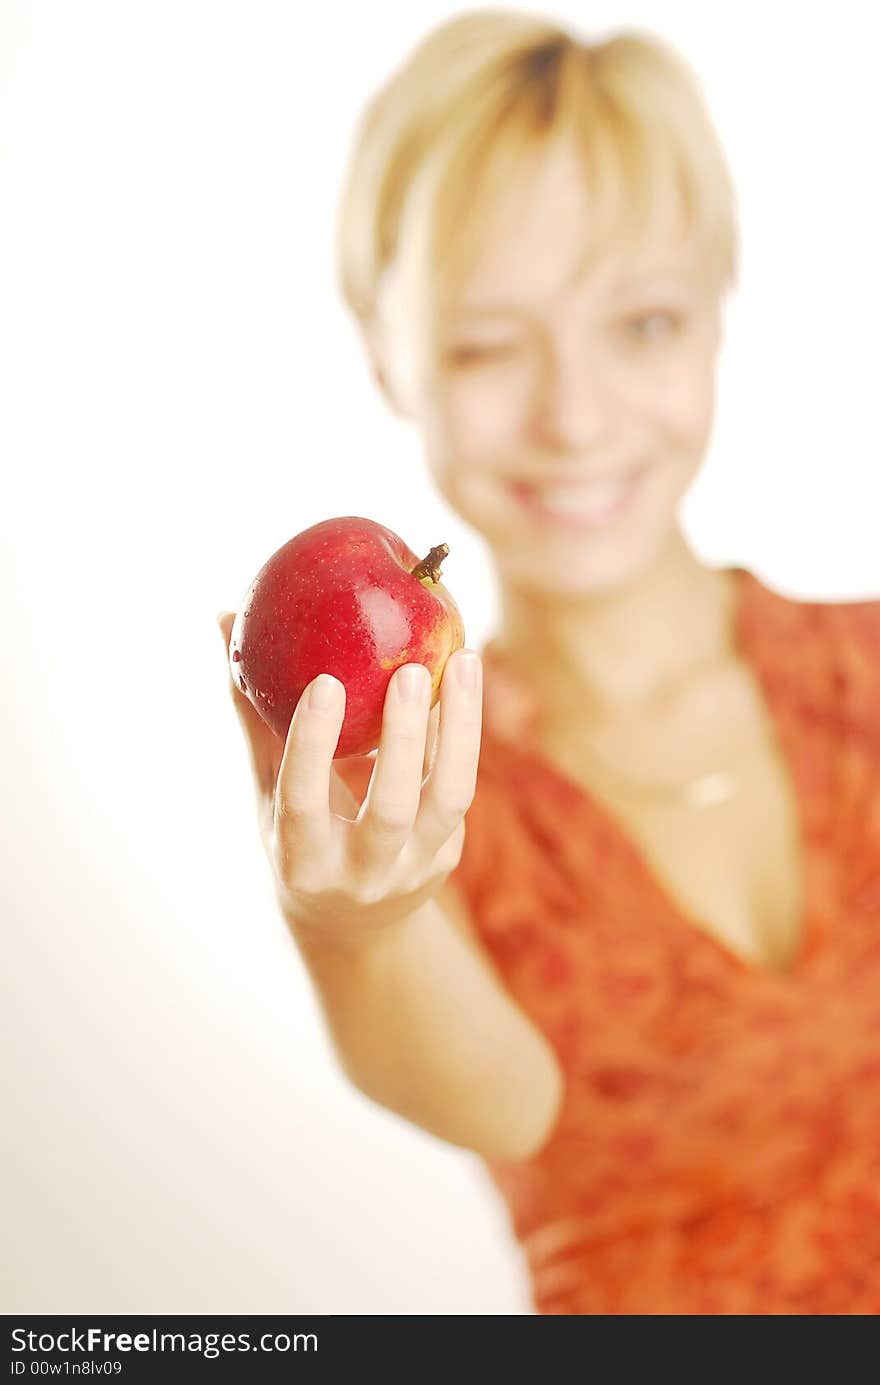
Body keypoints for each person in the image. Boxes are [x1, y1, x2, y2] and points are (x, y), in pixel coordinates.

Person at [218, 11, 880, 1314]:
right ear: (384, 355)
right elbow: (513, 1110)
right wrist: (360, 923)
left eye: (640, 324)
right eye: (485, 344)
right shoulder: (426, 793)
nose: (574, 417)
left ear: (715, 325)